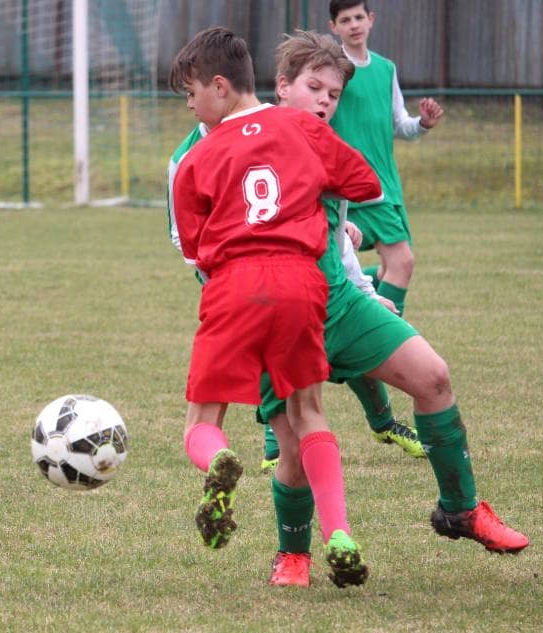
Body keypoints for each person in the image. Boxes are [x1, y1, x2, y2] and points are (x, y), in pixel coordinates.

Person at [259, 30, 528, 587]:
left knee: (433, 377)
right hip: (277, 315)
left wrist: (361, 281)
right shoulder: (250, 141)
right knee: (293, 447)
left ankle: (460, 509)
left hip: (340, 303)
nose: (325, 100)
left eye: (333, 93)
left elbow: (335, 235)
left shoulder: (333, 149)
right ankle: (295, 556)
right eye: (314, 87)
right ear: (282, 87)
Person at [169, 26, 382, 588]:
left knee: (202, 420)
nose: (190, 106)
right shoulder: (302, 128)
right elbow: (367, 185)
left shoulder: (199, 154)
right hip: (301, 282)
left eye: (191, 94)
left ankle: (217, 462)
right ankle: (338, 532)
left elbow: (193, 249)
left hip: (234, 283)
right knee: (308, 412)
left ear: (219, 87)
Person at [326, 0, 444, 447]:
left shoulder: (387, 68)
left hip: (384, 190)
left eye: (360, 17)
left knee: (395, 266)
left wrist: (423, 124)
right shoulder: (334, 72)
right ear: (333, 27)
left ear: (371, 20)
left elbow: (399, 124)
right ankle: (377, 341)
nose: (355, 25)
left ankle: (373, 335)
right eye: (346, 19)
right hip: (346, 190)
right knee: (381, 268)